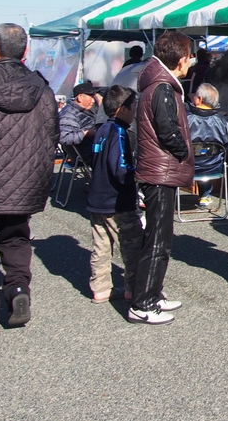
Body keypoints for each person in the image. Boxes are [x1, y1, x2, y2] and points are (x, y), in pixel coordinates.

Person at [0, 24, 59, 338]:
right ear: (25, 52)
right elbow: (51, 137)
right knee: (16, 241)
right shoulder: (42, 89)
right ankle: (16, 289)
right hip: (23, 185)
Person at [128, 31, 195, 325]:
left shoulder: (159, 84)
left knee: (160, 236)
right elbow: (168, 131)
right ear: (180, 59)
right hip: (160, 171)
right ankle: (142, 303)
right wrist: (183, 152)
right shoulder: (162, 88)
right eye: (190, 56)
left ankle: (152, 293)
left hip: (159, 169)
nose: (191, 61)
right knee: (158, 239)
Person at [86, 85, 143, 304]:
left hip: (96, 198)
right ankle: (134, 287)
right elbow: (119, 167)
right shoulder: (120, 132)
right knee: (131, 245)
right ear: (122, 109)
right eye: (133, 107)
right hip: (117, 200)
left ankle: (100, 288)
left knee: (101, 246)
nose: (135, 112)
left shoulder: (100, 130)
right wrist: (134, 176)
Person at [186, 83, 228, 209]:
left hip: (188, 167)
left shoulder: (185, 120)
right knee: (206, 157)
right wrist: (223, 160)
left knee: (198, 157)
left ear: (199, 100)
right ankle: (205, 196)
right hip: (214, 167)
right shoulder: (223, 122)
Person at [59, 81, 103, 162]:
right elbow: (64, 138)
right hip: (84, 154)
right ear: (79, 97)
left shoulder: (79, 111)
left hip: (89, 150)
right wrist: (86, 133)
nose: (93, 101)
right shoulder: (69, 113)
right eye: (91, 97)